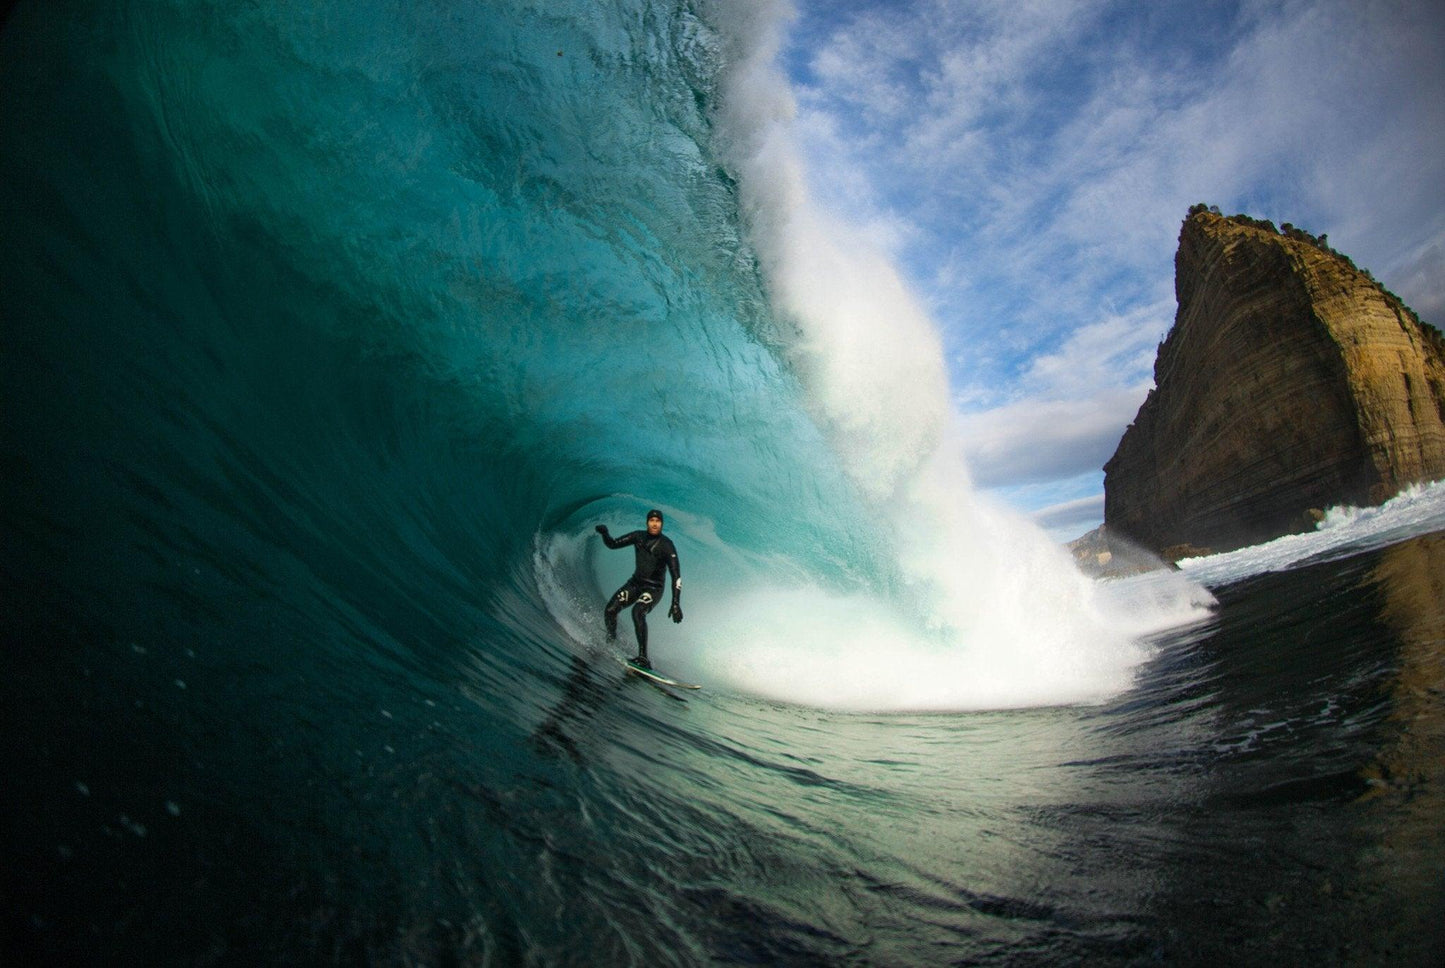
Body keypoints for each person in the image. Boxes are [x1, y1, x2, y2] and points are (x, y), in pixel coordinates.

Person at [595, 509, 682, 670]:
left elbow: (676, 575)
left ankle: (643, 658)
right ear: (647, 522)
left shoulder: (667, 545)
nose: (655, 524)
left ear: (662, 524)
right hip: (635, 584)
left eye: (658, 521)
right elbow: (613, 544)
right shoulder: (638, 536)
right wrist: (605, 533)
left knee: (638, 612)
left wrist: (675, 602)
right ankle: (611, 640)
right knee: (610, 610)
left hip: (654, 589)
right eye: (652, 521)